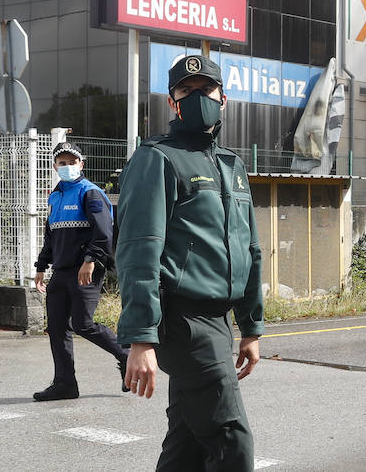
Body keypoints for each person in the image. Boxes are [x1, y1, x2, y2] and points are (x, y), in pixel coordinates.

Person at [116, 54, 265, 471]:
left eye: (206, 91)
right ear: (172, 102)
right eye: (186, 91)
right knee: (232, 442)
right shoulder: (158, 159)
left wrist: (250, 326)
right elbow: (138, 250)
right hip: (184, 321)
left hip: (217, 320)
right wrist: (141, 337)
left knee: (187, 446)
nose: (198, 98)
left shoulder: (232, 166)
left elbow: (249, 247)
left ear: (223, 98)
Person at [32, 141, 129, 402]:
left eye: (71, 162)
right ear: (55, 166)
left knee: (83, 324)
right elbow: (51, 236)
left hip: (86, 269)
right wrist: (41, 266)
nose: (66, 167)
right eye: (61, 163)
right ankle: (65, 384)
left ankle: (126, 356)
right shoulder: (55, 196)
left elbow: (104, 233)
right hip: (61, 271)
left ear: (81, 165)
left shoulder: (91, 193)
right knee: (56, 327)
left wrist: (91, 261)